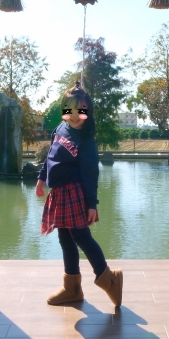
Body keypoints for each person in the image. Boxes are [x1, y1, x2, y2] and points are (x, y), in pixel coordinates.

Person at [36, 81, 123, 307]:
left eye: (81, 110)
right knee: (65, 239)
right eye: (70, 109)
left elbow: (90, 172)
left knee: (81, 237)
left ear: (88, 111)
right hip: (58, 192)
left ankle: (109, 280)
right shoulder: (59, 129)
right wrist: (40, 178)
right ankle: (72, 288)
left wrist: (92, 204)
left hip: (74, 192)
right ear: (64, 109)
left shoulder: (86, 140)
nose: (75, 115)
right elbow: (50, 158)